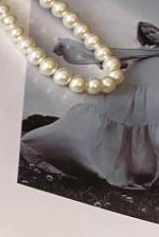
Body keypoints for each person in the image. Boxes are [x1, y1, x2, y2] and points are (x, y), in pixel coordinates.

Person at [20, 21, 159, 190]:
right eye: (147, 33)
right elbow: (114, 59)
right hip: (125, 94)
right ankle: (47, 148)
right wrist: (74, 48)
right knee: (101, 127)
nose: (151, 35)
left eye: (153, 31)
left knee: (143, 133)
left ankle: (137, 173)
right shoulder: (139, 52)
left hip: (149, 97)